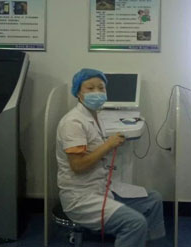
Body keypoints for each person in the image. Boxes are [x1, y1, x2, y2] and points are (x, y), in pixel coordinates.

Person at [56, 68, 166, 247]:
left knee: (153, 199)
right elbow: (77, 166)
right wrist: (108, 145)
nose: (97, 92)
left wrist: (109, 143)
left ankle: (149, 242)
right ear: (78, 92)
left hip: (101, 187)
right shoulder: (73, 123)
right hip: (81, 197)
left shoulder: (95, 116)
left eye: (101, 88)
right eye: (90, 88)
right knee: (135, 223)